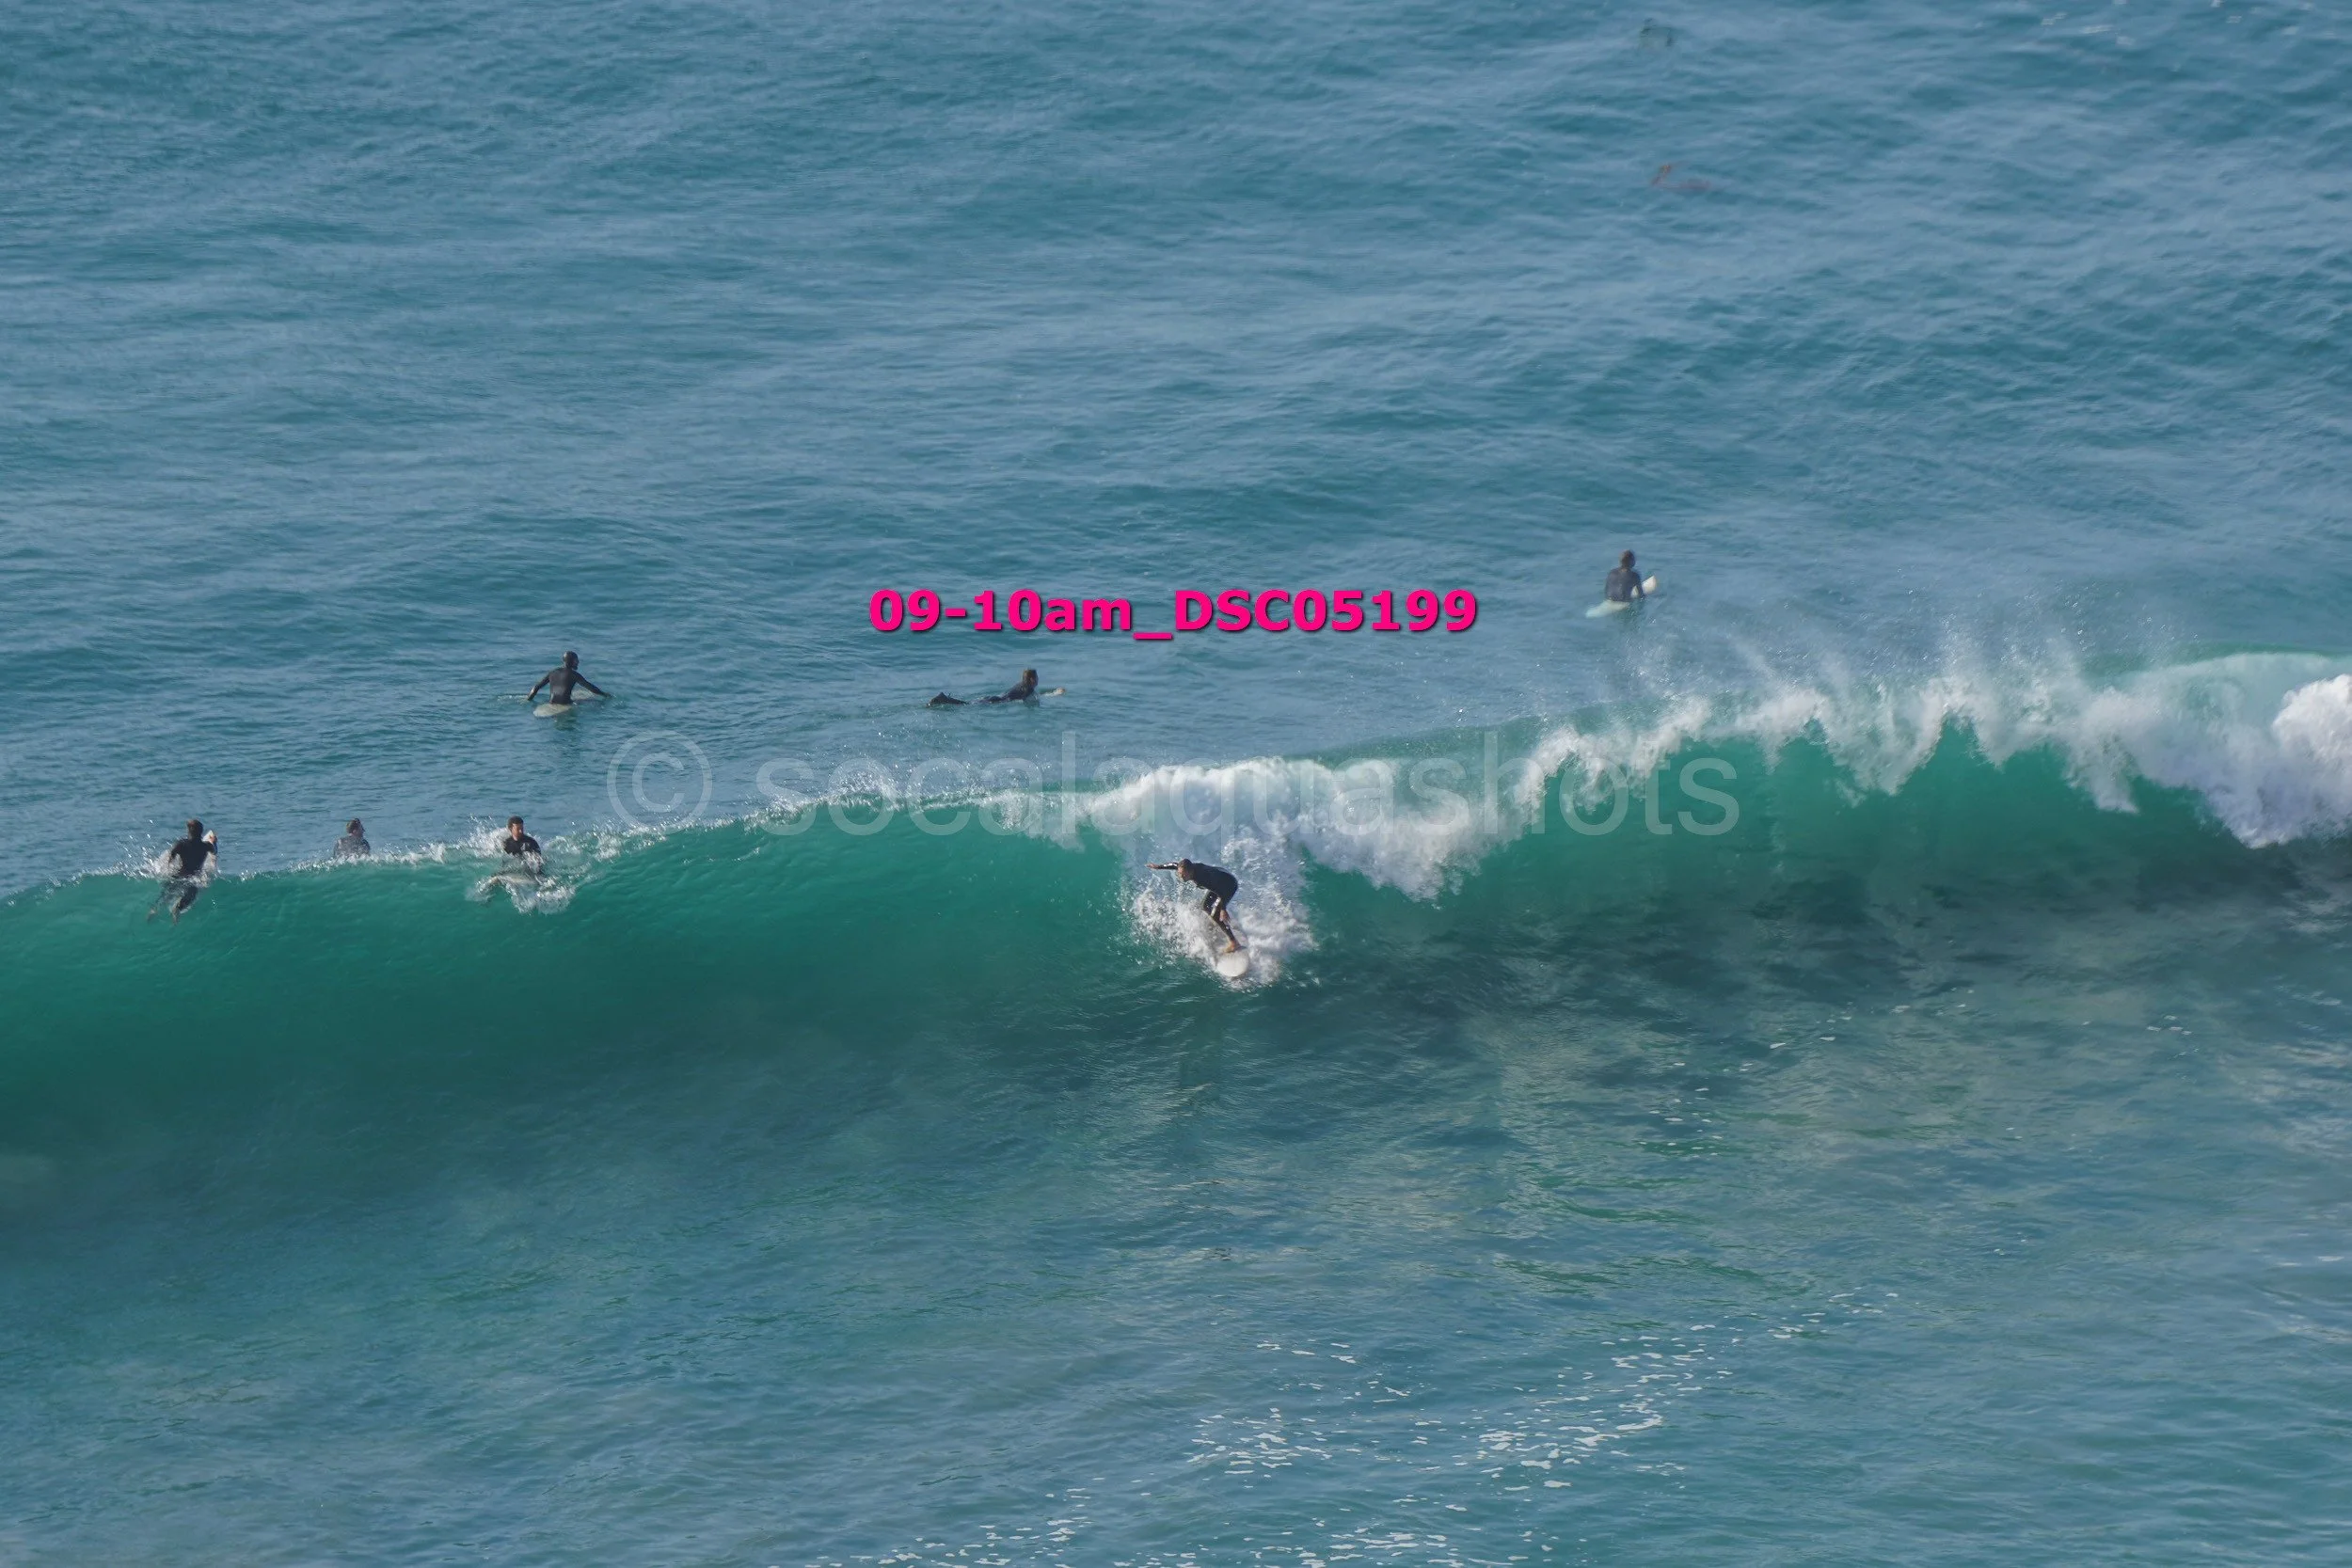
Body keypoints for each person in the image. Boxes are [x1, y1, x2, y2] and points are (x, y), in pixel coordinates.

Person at [1150, 858, 1243, 952]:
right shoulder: (1188, 868)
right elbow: (1175, 865)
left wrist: (1223, 908)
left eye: (1184, 875)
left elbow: (1220, 892)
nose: (1181, 877)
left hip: (1229, 885)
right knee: (1205, 906)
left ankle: (1234, 942)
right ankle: (1222, 923)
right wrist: (1158, 867)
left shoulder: (1202, 879)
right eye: (1180, 874)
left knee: (1216, 913)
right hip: (1220, 879)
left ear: (1190, 872)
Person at [151, 818, 217, 922]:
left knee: (166, 893)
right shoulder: (206, 846)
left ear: (188, 831)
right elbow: (214, 852)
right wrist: (214, 842)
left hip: (178, 875)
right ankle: (176, 909)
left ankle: (154, 909)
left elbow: (170, 857)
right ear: (201, 832)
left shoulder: (180, 844)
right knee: (190, 895)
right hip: (194, 878)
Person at [528, 651, 606, 707]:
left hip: (551, 703)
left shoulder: (552, 672)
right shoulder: (574, 675)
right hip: (565, 704)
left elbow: (535, 688)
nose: (578, 662)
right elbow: (591, 688)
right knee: (592, 701)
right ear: (571, 661)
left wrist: (528, 700)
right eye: (576, 660)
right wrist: (605, 695)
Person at [929, 670, 1041, 707]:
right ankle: (944, 699)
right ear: (1032, 679)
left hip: (994, 698)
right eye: (1036, 677)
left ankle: (946, 699)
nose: (1037, 680)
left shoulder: (1020, 685)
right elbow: (1025, 700)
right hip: (996, 701)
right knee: (967, 706)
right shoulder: (1028, 689)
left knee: (968, 704)